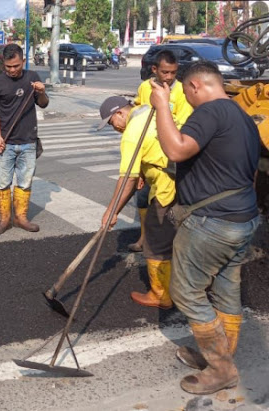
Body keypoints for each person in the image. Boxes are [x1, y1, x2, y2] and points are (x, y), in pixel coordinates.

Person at [150, 61, 260, 395]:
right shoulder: (242, 117)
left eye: (185, 91)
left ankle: (222, 369)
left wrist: (161, 107)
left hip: (212, 223)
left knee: (186, 292)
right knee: (226, 291)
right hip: (242, 219)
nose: (187, 97)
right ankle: (221, 358)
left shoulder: (210, 112)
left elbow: (177, 148)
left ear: (196, 86)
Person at [98, 96, 176, 309]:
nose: (114, 128)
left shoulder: (132, 132)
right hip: (186, 180)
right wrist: (143, 168)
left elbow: (127, 179)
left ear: (119, 114)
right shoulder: (150, 111)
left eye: (112, 123)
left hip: (167, 186)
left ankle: (161, 295)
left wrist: (112, 211)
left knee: (155, 238)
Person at [129, 50, 193, 253]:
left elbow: (183, 124)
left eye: (173, 72)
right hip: (146, 155)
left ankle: (167, 243)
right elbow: (137, 115)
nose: (169, 77)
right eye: (165, 72)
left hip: (167, 160)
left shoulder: (181, 92)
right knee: (142, 197)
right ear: (154, 69)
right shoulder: (144, 87)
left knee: (164, 204)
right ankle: (143, 237)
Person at [0, 43, 49, 235]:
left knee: (25, 182)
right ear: (3, 64)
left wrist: (41, 91)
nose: (12, 70)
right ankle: (4, 220)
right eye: (8, 67)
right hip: (6, 142)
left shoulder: (32, 78)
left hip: (28, 141)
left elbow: (44, 104)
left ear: (23, 61)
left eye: (16, 66)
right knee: (3, 182)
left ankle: (20, 218)